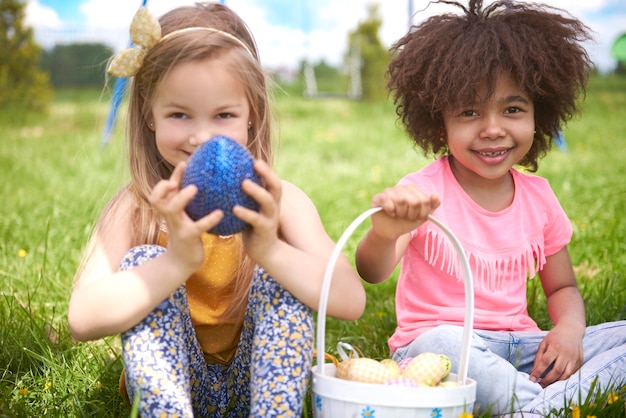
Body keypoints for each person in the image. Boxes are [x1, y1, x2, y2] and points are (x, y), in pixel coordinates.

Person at [67, 3, 366, 417]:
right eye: (179, 114)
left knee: (282, 279)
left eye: (223, 115)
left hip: (258, 383)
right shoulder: (137, 206)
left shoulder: (279, 204)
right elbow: (81, 319)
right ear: (149, 115)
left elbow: (351, 300)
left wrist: (271, 253)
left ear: (251, 117)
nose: (202, 137)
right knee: (145, 260)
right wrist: (175, 262)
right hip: (176, 383)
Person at [355, 0, 626, 416]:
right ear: (437, 120)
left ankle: (532, 400)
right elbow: (371, 272)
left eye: (512, 109)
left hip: (522, 348)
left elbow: (563, 288)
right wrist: (385, 232)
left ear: (540, 112)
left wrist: (570, 330)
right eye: (469, 112)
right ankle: (546, 405)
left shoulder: (539, 197)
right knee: (442, 344)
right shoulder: (422, 192)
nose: (493, 128)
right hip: (443, 347)